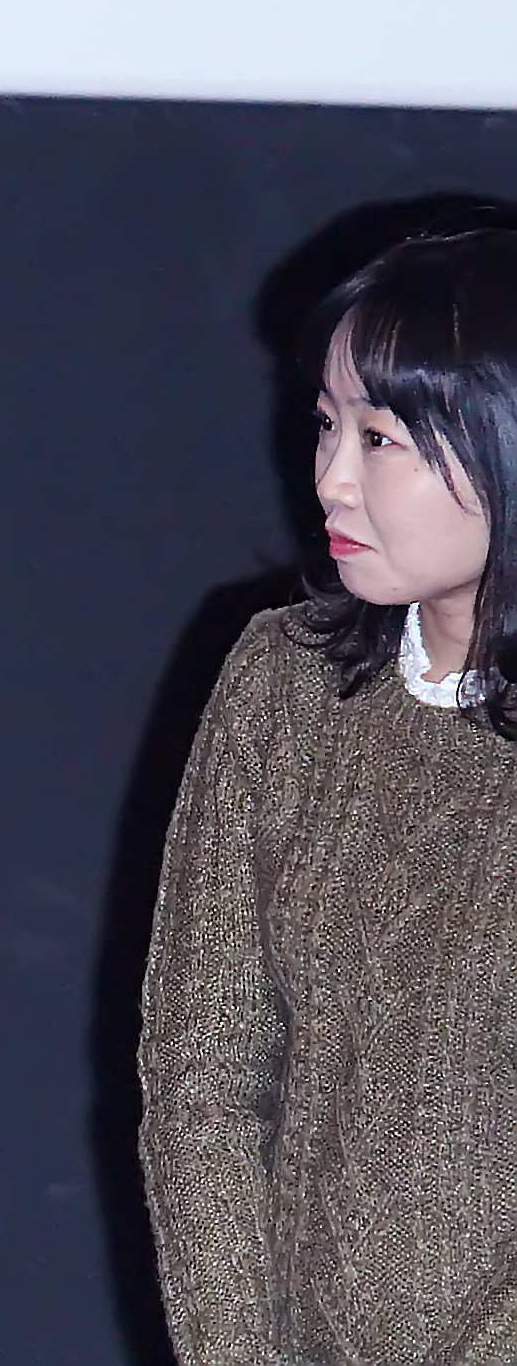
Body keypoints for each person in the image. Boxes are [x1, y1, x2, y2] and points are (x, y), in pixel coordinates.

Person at [142, 225, 517, 1363]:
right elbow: (202, 1076)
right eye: (324, 425)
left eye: (380, 438)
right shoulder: (284, 681)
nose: (330, 479)